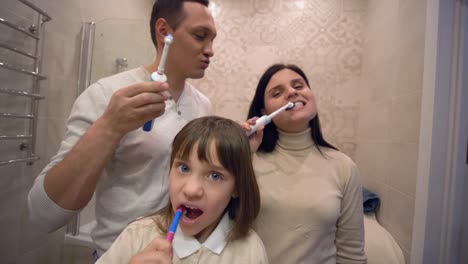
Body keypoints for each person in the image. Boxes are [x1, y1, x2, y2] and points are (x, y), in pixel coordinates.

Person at [27, 0, 217, 256]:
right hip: (117, 255)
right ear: (164, 32)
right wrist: (109, 127)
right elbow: (43, 214)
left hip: (179, 255)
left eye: (212, 39)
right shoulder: (107, 95)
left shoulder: (203, 105)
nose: (210, 50)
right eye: (200, 36)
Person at [96, 116, 268, 264]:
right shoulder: (136, 236)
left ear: (236, 188)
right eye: (184, 168)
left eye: (215, 176)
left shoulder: (250, 251)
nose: (191, 190)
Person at [245, 63, 367, 264]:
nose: (292, 92)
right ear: (263, 112)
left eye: (299, 86)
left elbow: (351, 254)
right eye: (277, 92)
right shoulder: (248, 160)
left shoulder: (344, 167)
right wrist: (240, 154)